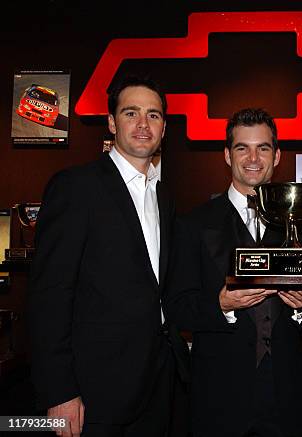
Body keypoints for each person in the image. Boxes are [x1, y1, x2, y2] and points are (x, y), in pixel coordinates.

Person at [29, 76, 189, 437]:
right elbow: (50, 295)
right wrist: (60, 391)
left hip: (157, 387)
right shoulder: (76, 187)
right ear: (112, 122)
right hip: (93, 395)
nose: (143, 125)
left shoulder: (164, 197)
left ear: (164, 128)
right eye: (131, 113)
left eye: (154, 115)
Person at [166, 108, 302, 437]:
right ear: (226, 154)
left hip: (287, 395)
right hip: (219, 396)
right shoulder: (194, 224)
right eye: (242, 148)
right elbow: (177, 307)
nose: (253, 158)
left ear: (277, 156)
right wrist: (221, 305)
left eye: (262, 148)